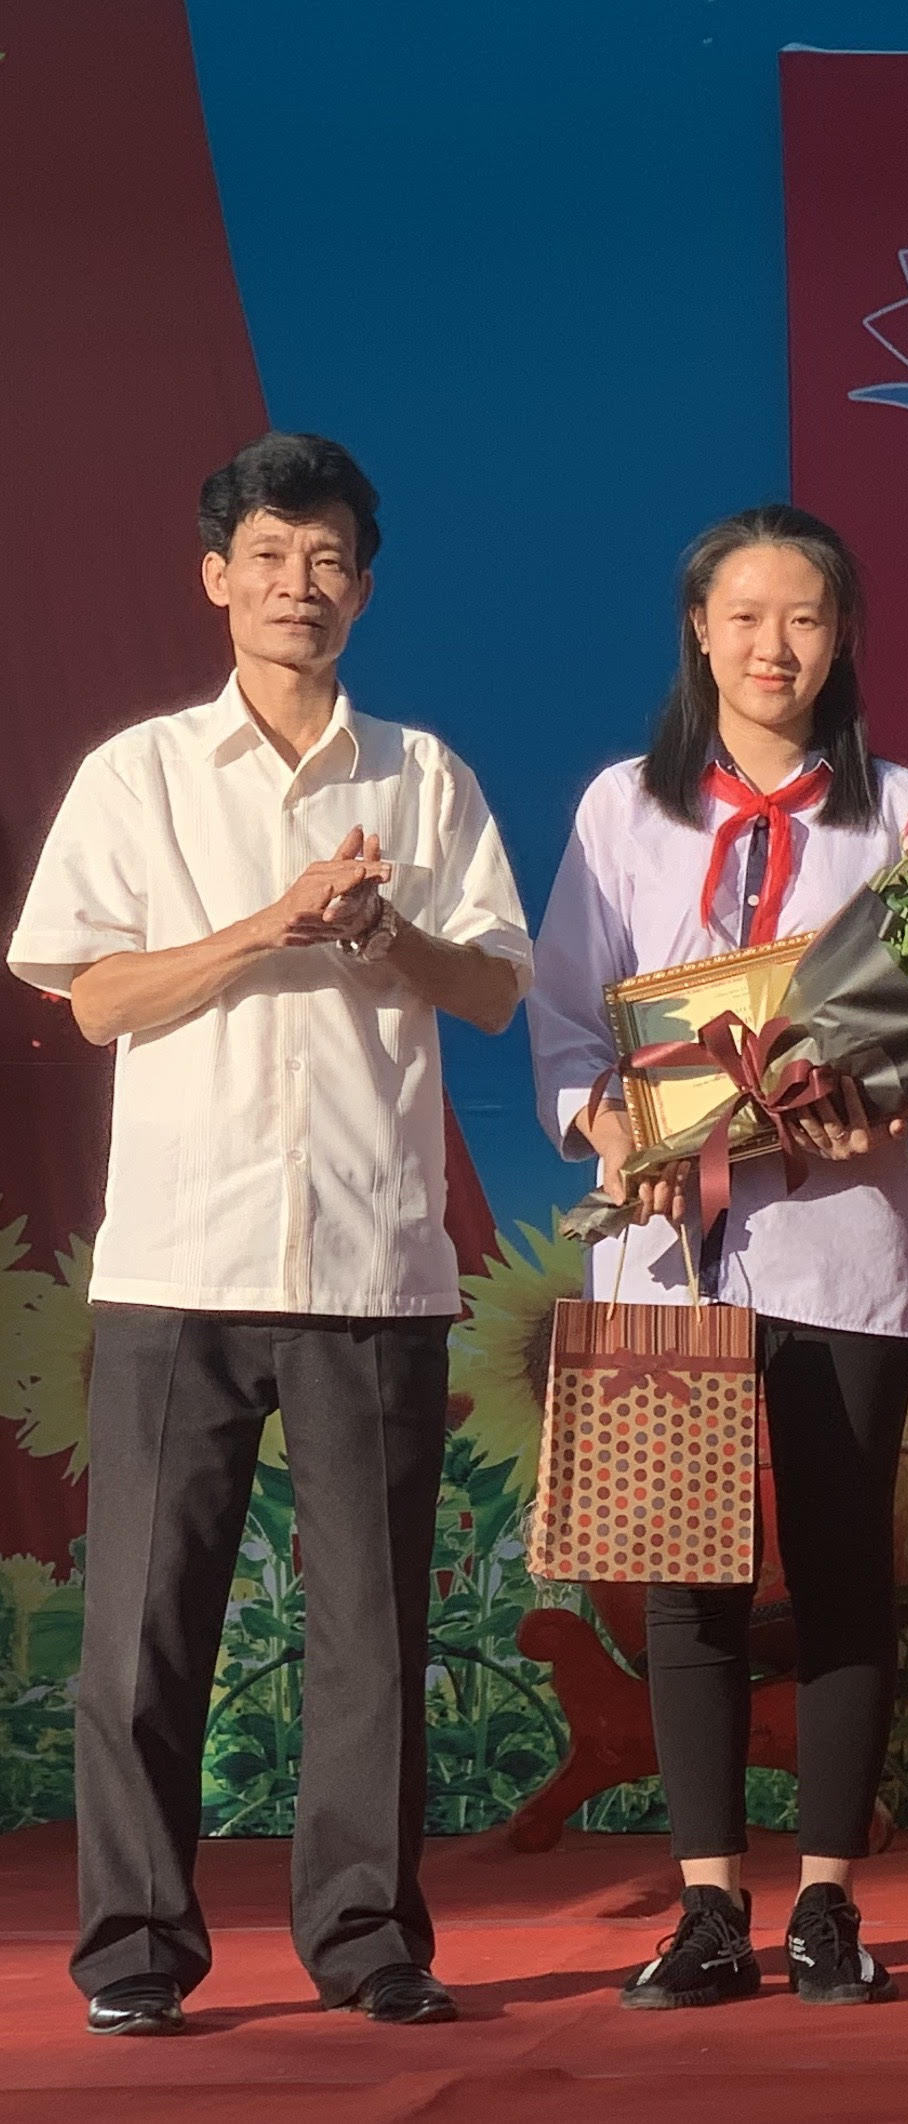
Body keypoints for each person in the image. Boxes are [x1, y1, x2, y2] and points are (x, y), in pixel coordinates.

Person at [8, 433, 533, 2034]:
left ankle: (367, 1943)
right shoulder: (140, 775)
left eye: (327, 562)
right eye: (268, 556)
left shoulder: (423, 777)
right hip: (180, 1261)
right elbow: (95, 996)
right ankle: (133, 1955)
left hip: (371, 1259)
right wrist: (266, 925)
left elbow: (492, 989)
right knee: (141, 1636)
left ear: (363, 591)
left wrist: (381, 931)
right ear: (214, 578)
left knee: (371, 1635)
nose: (297, 586)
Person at [529, 504, 908, 2011]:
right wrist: (609, 1129)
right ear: (699, 634)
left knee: (844, 1572)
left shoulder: (904, 813)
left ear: (840, 641)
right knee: (685, 1585)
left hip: (841, 1245)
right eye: (746, 616)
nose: (774, 646)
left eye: (805, 618)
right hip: (669, 1253)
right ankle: (709, 1907)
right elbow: (570, 1017)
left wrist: (889, 1100)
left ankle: (828, 1903)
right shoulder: (620, 810)